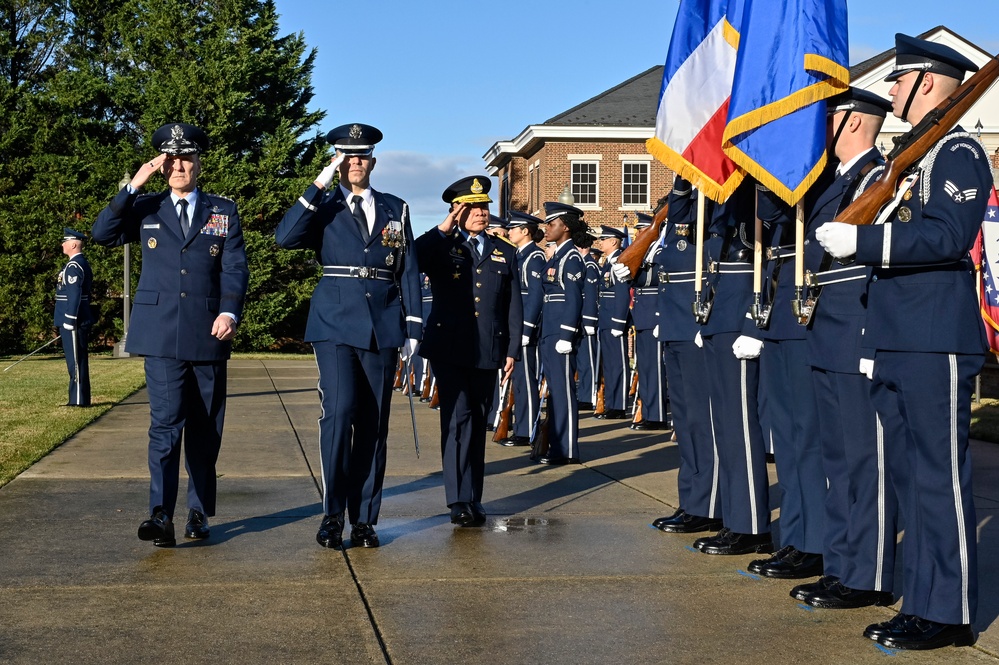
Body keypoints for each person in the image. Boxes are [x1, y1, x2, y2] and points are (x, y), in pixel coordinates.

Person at [816, 35, 988, 650]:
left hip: (934, 340)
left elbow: (945, 236)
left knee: (940, 479)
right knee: (916, 483)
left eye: (900, 81)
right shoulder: (911, 160)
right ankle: (923, 601)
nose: (891, 92)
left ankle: (949, 612)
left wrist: (862, 243)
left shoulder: (957, 154)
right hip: (897, 339)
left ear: (928, 83)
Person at [92, 122, 249, 547]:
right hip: (160, 335)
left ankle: (198, 511)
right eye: (173, 159)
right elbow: (102, 233)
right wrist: (132, 185)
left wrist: (230, 312)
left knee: (204, 428)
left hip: (208, 333)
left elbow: (234, 268)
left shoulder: (223, 211)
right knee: (164, 425)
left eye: (188, 158)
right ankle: (160, 514)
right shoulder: (145, 207)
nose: (180, 165)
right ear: (162, 166)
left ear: (199, 163)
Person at [275, 123, 422, 549]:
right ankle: (332, 514)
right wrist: (318, 183)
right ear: (338, 161)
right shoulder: (323, 206)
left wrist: (414, 327)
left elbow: (407, 268)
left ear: (373, 161)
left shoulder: (397, 208)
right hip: (335, 322)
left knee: (374, 424)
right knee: (338, 415)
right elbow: (284, 238)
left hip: (383, 323)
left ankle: (364, 519)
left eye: (361, 156)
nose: (355, 162)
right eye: (347, 156)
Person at [790, 88, 898, 610]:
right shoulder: (836, 183)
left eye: (829, 114)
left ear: (854, 122)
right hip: (826, 331)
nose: (821, 123)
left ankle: (868, 575)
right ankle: (841, 566)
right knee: (838, 459)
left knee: (864, 461)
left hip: (856, 328)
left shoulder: (880, 179)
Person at [415, 176, 522, 526]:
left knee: (478, 421)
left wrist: (511, 349)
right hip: (451, 347)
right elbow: (413, 257)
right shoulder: (442, 245)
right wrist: (444, 227)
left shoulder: (504, 250)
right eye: (472, 207)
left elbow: (512, 305)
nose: (481, 213)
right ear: (457, 211)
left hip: (488, 348)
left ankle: (474, 496)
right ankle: (457, 499)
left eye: (485, 207)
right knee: (457, 420)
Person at [691, 181, 772, 556]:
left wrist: (752, 324)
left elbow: (769, 262)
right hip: (716, 318)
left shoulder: (755, 196)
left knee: (740, 428)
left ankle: (751, 524)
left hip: (739, 318)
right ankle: (735, 519)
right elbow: (683, 220)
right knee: (724, 426)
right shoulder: (721, 200)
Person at [648, 177, 722, 534]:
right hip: (675, 331)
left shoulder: (709, 228)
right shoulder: (677, 231)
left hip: (695, 332)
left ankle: (709, 503)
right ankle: (692, 500)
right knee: (685, 424)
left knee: (701, 423)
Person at [535, 202, 588, 464]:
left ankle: (566, 450)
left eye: (551, 224)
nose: (546, 228)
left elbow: (574, 299)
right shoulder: (556, 256)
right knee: (555, 390)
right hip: (550, 332)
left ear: (564, 227)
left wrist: (566, 335)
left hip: (560, 335)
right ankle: (556, 445)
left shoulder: (572, 258)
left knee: (564, 392)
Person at [498, 211, 546, 447]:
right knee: (517, 379)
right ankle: (521, 427)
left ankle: (528, 430)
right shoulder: (519, 255)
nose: (509, 232)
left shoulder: (534, 256)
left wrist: (526, 330)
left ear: (525, 231)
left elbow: (535, 296)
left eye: (514, 228)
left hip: (525, 329)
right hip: (514, 327)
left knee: (526, 380)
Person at [626, 213, 669, 430]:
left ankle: (658, 415)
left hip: (654, 313)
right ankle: (650, 411)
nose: (637, 234)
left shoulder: (660, 250)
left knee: (655, 368)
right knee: (645, 367)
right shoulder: (648, 250)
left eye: (640, 230)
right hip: (642, 313)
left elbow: (655, 280)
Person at [594, 226, 631, 420]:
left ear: (614, 242)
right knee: (608, 365)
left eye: (604, 239)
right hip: (605, 320)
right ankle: (611, 403)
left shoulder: (619, 260)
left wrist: (619, 322)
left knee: (618, 364)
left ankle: (619, 405)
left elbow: (622, 294)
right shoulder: (608, 262)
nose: (600, 242)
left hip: (614, 321)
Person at [55, 228, 93, 407]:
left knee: (76, 362)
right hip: (75, 319)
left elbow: (75, 295)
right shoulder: (78, 264)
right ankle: (79, 398)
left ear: (73, 244)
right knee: (77, 360)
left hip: (73, 321)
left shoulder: (74, 266)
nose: (62, 244)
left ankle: (78, 400)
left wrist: (69, 319)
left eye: (65, 241)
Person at [575, 232, 601, 410]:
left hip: (586, 319)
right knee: (582, 360)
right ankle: (583, 393)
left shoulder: (590, 265)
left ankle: (589, 395)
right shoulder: (582, 264)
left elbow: (591, 296)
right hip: (580, 318)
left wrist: (590, 321)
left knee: (588, 361)